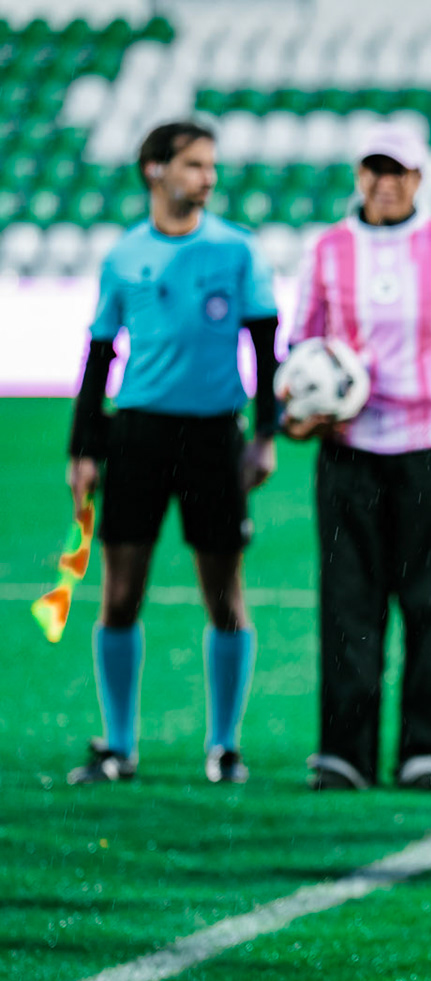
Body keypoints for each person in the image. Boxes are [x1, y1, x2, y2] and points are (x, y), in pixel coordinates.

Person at [288, 123, 431, 794]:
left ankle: (428, 749)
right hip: (350, 454)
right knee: (348, 602)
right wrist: (291, 412)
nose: (385, 182)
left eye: (398, 170)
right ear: (358, 174)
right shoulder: (327, 248)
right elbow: (299, 352)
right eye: (373, 169)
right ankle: (344, 753)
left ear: (419, 178)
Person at [66, 121, 280, 788]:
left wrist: (264, 435)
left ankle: (223, 747)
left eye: (211, 165)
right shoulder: (124, 256)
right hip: (137, 436)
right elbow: (100, 356)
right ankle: (120, 745)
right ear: (154, 169)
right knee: (121, 593)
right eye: (193, 164)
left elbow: (267, 351)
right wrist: (83, 449)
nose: (208, 177)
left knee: (224, 596)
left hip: (216, 436)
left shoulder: (236, 251)